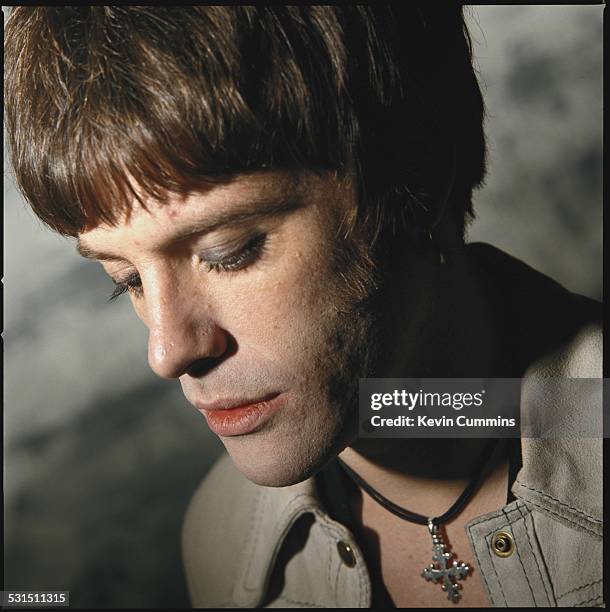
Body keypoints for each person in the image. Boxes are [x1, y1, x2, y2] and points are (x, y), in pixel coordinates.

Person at [4, 6, 602, 608]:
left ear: (417, 181)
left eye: (229, 251)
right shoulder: (221, 541)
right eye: (126, 278)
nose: (166, 351)